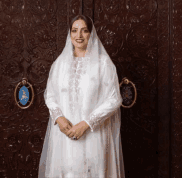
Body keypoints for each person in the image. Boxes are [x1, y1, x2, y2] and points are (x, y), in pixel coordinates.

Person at [38, 15, 125, 178]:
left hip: (93, 135)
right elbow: (50, 95)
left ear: (91, 34)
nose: (79, 35)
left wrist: (86, 124)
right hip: (64, 135)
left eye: (84, 31)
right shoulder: (60, 64)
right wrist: (59, 118)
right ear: (69, 34)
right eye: (74, 30)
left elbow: (114, 99)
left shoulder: (103, 64)